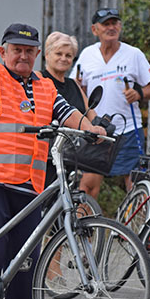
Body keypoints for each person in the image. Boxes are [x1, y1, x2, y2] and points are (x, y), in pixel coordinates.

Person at [0, 0, 105, 299]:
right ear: (3, 52)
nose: (23, 55)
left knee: (26, 261)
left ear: (37, 53)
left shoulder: (44, 86)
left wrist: (91, 128)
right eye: (17, 49)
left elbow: (68, 113)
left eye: (29, 50)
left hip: (30, 185)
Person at [69, 8, 150, 198]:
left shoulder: (134, 54)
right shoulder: (87, 55)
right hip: (97, 129)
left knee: (135, 186)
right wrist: (80, 89)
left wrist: (138, 94)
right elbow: (76, 88)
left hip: (127, 129)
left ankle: (135, 218)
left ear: (120, 26)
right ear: (95, 29)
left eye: (114, 23)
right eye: (106, 24)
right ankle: (87, 218)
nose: (111, 28)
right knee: (88, 186)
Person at [41, 31, 98, 184]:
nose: (63, 58)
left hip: (73, 155)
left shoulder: (74, 84)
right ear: (47, 55)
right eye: (58, 53)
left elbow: (90, 113)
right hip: (45, 155)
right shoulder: (39, 79)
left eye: (68, 55)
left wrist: (98, 126)